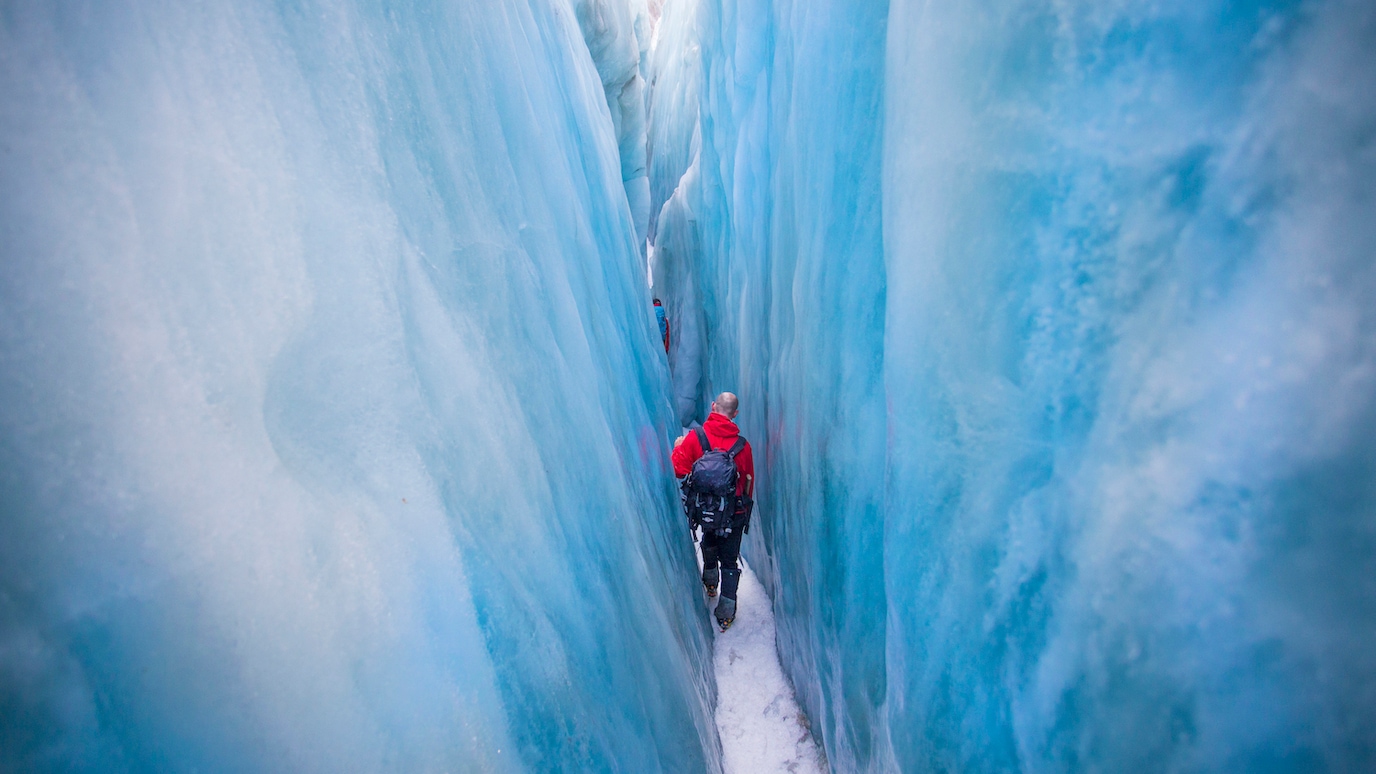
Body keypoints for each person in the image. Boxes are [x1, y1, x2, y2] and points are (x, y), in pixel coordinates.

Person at [672, 392, 754, 630]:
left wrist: (679, 447)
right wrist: (744, 510)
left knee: (709, 542)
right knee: (729, 560)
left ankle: (710, 583)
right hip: (733, 513)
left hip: (705, 510)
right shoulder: (743, 446)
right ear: (735, 414)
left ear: (712, 407)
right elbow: (748, 480)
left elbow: (678, 468)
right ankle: (726, 612)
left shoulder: (696, 437)